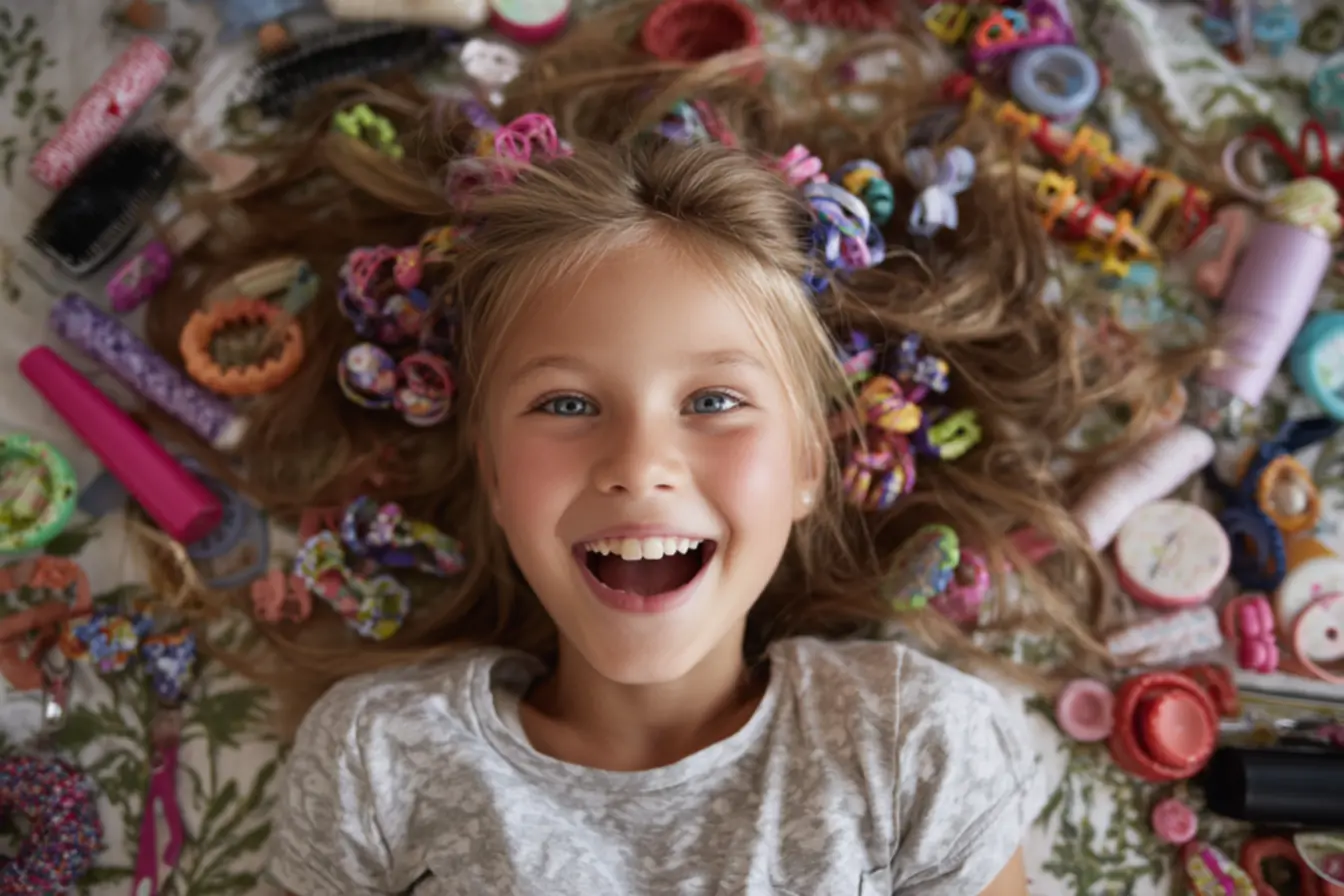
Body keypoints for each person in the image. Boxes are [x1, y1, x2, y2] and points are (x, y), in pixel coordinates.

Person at [145, 11, 1189, 895]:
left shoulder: (913, 742)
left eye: (715, 400)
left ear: (812, 464)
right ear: (494, 473)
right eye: (565, 402)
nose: (640, 462)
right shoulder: (379, 756)